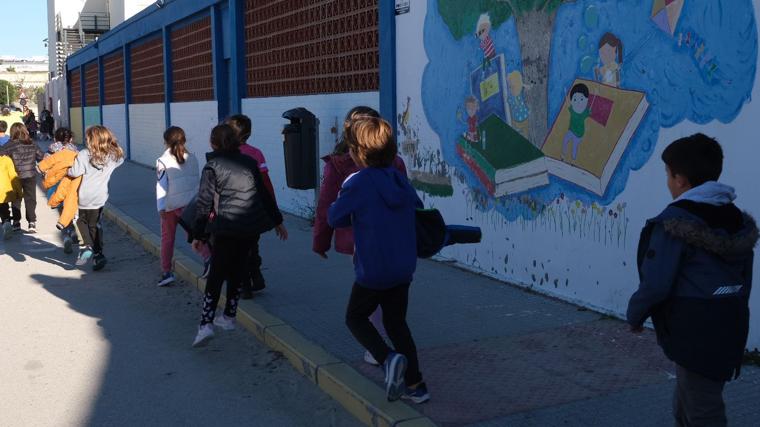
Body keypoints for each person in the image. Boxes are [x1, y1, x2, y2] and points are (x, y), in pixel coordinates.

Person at [626, 133, 756, 427]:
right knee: (688, 399)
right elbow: (745, 279)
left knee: (702, 411)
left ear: (680, 179)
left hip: (692, 327)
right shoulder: (736, 218)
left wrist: (635, 315)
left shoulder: (674, 222)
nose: (668, 182)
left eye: (668, 175)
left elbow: (656, 283)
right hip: (729, 322)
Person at [328, 116, 430, 404]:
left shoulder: (357, 183)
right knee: (397, 324)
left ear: (358, 152)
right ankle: (417, 386)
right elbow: (414, 206)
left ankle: (387, 359)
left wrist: (344, 197)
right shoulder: (398, 178)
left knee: (355, 317)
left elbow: (335, 217)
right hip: (403, 266)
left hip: (373, 268)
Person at [313, 106, 407, 366]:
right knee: (388, 296)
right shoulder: (394, 162)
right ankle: (397, 354)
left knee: (365, 299)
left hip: (361, 240)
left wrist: (321, 241)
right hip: (395, 240)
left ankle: (380, 349)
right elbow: (407, 200)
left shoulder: (340, 166)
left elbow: (326, 207)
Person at [190, 124, 287, 347]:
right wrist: (278, 221)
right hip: (250, 227)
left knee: (216, 274)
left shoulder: (212, 166)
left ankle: (206, 324)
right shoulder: (250, 163)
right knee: (238, 269)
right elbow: (263, 194)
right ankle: (229, 316)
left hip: (225, 227)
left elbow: (204, 203)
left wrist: (198, 235)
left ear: (213, 143)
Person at [224, 114, 282, 299]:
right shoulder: (256, 153)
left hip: (233, 211)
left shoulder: (226, 154)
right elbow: (265, 181)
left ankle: (245, 286)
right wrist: (273, 206)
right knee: (252, 244)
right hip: (254, 209)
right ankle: (256, 275)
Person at [68, 125, 125, 270]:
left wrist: (68, 169)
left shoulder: (84, 154)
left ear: (91, 140)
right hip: (100, 196)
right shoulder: (112, 156)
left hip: (84, 196)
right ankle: (98, 254)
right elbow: (121, 159)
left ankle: (86, 246)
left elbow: (74, 172)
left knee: (80, 221)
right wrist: (113, 145)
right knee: (95, 224)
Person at [156, 126, 200, 287]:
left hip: (171, 206)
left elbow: (161, 186)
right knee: (197, 235)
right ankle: (210, 261)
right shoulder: (193, 158)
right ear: (184, 140)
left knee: (167, 239)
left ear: (165, 142)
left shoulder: (163, 161)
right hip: (190, 204)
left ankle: (166, 272)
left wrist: (161, 207)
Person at [38, 127, 81, 253]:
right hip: (72, 185)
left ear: (55, 138)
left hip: (56, 187)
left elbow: (44, 171)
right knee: (71, 208)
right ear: (71, 139)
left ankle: (66, 235)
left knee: (61, 211)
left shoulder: (49, 153)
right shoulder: (76, 153)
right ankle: (73, 232)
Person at [0, 123, 44, 233]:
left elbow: (2, 155)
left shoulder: (9, 144)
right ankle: (31, 222)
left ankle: (16, 222)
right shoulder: (32, 143)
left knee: (16, 199)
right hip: (30, 175)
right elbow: (41, 156)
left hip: (15, 176)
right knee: (30, 198)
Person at [0, 151, 21, 239]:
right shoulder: (7, 160)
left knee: (2, 208)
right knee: (9, 206)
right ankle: (10, 222)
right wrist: (19, 190)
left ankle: (6, 221)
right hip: (6, 189)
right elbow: (13, 176)